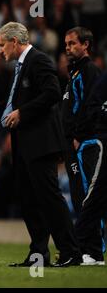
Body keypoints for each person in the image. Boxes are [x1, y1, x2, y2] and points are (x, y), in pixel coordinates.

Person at [0, 22, 82, 267]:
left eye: (2, 45)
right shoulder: (21, 67)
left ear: (14, 41)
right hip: (24, 144)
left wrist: (23, 112)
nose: (0, 51)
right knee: (29, 201)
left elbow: (53, 92)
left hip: (41, 143)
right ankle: (38, 254)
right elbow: (7, 107)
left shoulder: (39, 60)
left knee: (49, 198)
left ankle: (71, 252)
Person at [61, 27, 102, 215]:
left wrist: (79, 136)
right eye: (66, 44)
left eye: (72, 43)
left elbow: (90, 106)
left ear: (85, 45)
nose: (68, 48)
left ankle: (92, 245)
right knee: (79, 198)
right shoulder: (75, 74)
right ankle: (84, 243)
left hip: (84, 143)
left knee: (87, 197)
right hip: (73, 144)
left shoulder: (89, 71)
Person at [74, 72, 107, 265]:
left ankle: (79, 246)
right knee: (95, 195)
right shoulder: (102, 80)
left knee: (96, 196)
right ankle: (78, 246)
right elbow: (93, 107)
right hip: (104, 141)